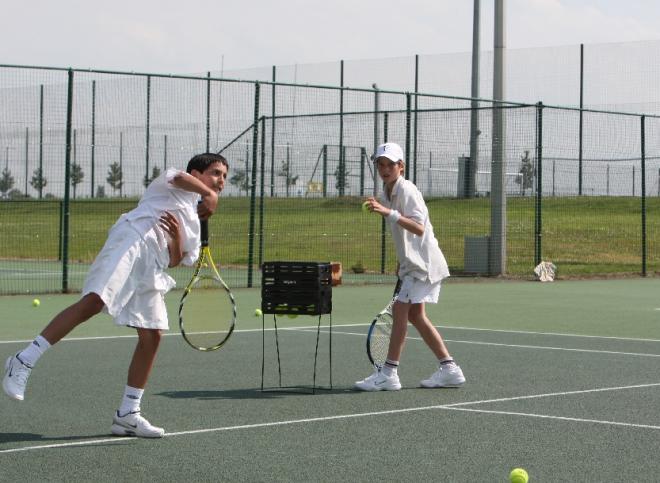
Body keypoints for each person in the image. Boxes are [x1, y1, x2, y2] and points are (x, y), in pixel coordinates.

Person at [2, 153, 229, 437]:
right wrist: (208, 193)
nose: (221, 181)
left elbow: (176, 260)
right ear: (196, 173)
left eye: (224, 177)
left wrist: (178, 237)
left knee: (153, 334)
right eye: (215, 173)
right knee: (94, 301)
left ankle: (128, 413)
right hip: (133, 239)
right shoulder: (173, 185)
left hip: (153, 267)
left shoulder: (196, 223)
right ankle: (23, 360)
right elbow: (177, 175)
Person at [355, 142, 465, 391]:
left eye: (390, 165)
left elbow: (418, 227)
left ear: (401, 167)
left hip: (424, 266)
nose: (384, 169)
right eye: (380, 164)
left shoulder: (407, 191)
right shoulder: (388, 190)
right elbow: (406, 235)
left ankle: (389, 373)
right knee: (416, 315)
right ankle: (450, 369)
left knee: (401, 314)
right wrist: (402, 261)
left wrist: (387, 212)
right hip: (414, 265)